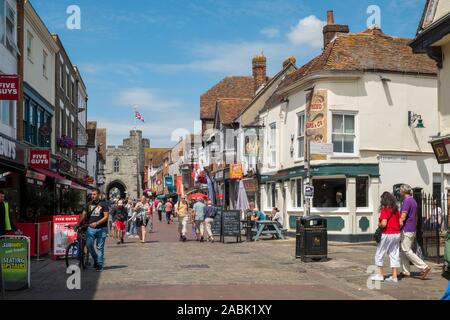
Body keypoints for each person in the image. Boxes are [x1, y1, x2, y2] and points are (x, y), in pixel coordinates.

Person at [399, 184, 431, 280]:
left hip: (406, 228)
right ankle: (405, 271)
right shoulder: (413, 201)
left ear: (403, 192)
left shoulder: (406, 201)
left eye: (400, 191)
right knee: (403, 250)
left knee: (406, 250)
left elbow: (403, 216)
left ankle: (424, 266)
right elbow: (416, 216)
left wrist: (398, 225)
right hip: (412, 228)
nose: (400, 192)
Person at [76, 189, 109, 272]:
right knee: (89, 245)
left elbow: (106, 217)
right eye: (92, 194)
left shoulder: (104, 204)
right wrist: (77, 224)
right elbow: (83, 214)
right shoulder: (88, 204)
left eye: (94, 194)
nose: (92, 196)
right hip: (91, 229)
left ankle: (100, 265)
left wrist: (97, 223)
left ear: (99, 194)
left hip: (102, 229)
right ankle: (96, 259)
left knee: (100, 247)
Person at [371, 192, 401, 283]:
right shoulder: (396, 210)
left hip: (387, 233)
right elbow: (401, 223)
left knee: (379, 254)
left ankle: (380, 275)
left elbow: (384, 223)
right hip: (396, 233)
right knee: (394, 254)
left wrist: (379, 224)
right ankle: (394, 276)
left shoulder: (385, 210)